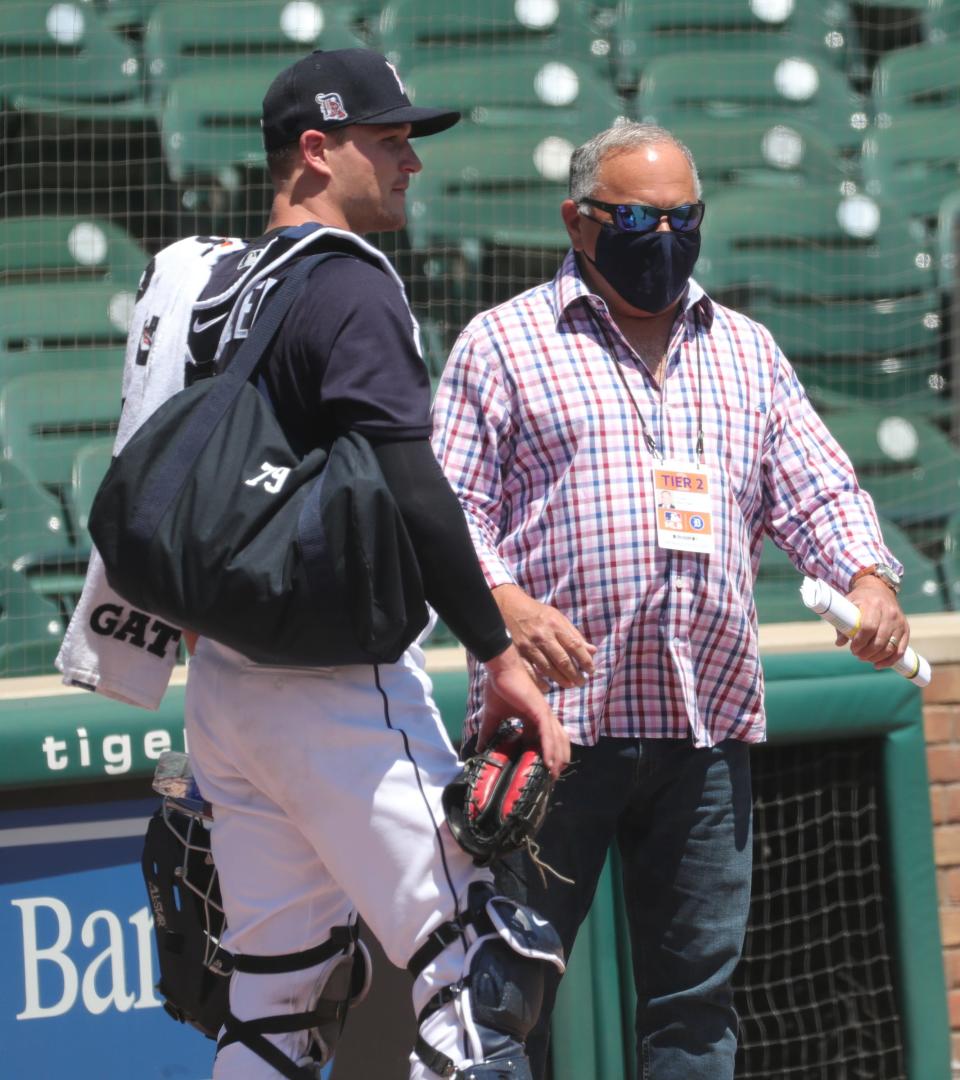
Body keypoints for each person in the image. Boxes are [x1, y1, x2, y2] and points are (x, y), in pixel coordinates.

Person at [430, 118, 912, 1080]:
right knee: (501, 994)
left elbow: (817, 490)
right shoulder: (505, 343)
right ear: (579, 222)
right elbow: (445, 512)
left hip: (706, 726)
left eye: (684, 216)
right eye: (639, 218)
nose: (665, 237)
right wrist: (504, 604)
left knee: (695, 1007)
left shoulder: (745, 350)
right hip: (554, 728)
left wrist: (867, 576)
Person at [182, 49, 570, 1080]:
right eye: (388, 137)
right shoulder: (349, 282)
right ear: (316, 150)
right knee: (486, 964)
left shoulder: (208, 281)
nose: (411, 159)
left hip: (226, 685)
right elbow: (411, 486)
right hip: (334, 682)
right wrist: (501, 654)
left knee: (274, 1002)